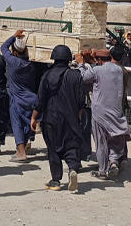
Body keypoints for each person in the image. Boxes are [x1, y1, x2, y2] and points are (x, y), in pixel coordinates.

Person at [30, 45, 85, 192]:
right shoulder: (76, 75)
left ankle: (55, 180)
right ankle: (73, 169)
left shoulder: (47, 75)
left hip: (51, 118)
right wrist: (77, 117)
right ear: (68, 59)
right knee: (71, 145)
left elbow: (40, 99)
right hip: (71, 118)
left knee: (53, 148)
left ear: (54, 58)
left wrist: (34, 118)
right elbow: (81, 101)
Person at [76, 48, 131, 179]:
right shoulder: (118, 70)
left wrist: (80, 63)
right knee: (114, 139)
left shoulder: (97, 70)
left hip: (99, 112)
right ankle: (113, 162)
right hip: (115, 111)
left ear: (99, 60)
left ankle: (102, 171)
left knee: (100, 141)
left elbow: (84, 77)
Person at [1, 29, 37, 162]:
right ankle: (22, 149)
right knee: (27, 125)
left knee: (17, 124)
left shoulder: (14, 63)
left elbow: (3, 47)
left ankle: (21, 151)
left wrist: (14, 36)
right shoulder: (31, 66)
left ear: (15, 53)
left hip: (17, 99)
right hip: (31, 98)